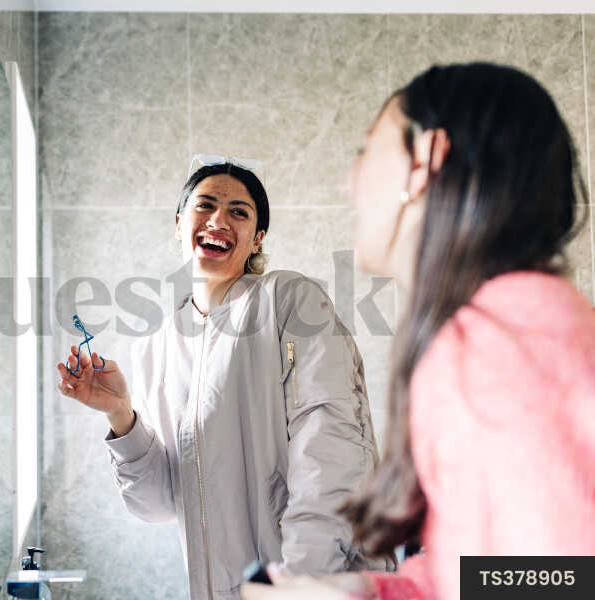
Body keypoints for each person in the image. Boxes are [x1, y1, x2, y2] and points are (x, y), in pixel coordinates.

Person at [241, 62, 595, 600]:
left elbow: (562, 583)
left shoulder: (498, 349)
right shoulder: (518, 325)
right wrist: (368, 591)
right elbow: (517, 570)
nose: (349, 182)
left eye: (366, 151)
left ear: (424, 160)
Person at [56, 158, 387, 600]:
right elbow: (157, 505)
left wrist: (303, 582)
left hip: (320, 584)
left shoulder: (289, 300)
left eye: (239, 212)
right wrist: (121, 415)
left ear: (257, 239)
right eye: (205, 205)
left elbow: (332, 450)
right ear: (179, 225)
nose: (218, 220)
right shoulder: (155, 347)